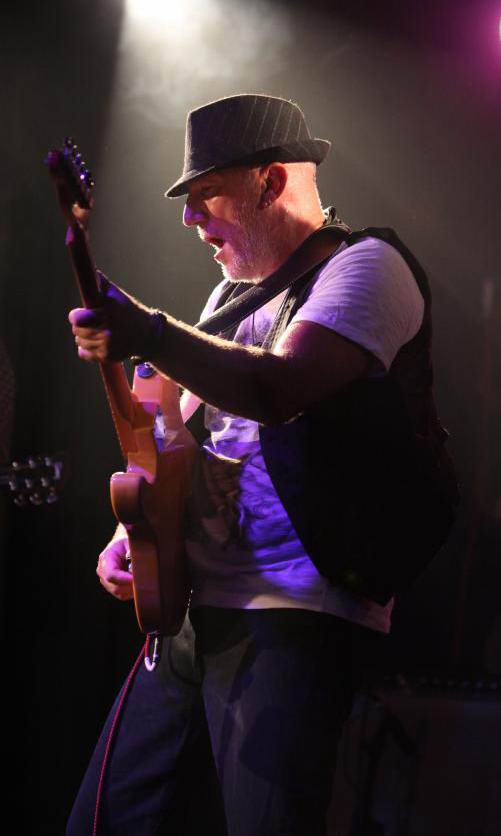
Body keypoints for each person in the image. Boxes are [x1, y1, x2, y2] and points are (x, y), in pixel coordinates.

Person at [66, 94, 441, 836]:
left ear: (269, 182)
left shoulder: (370, 267)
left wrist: (150, 331)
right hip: (190, 610)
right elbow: (179, 438)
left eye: (206, 193)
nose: (189, 219)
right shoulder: (231, 298)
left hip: (295, 614)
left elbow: (278, 390)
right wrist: (134, 528)